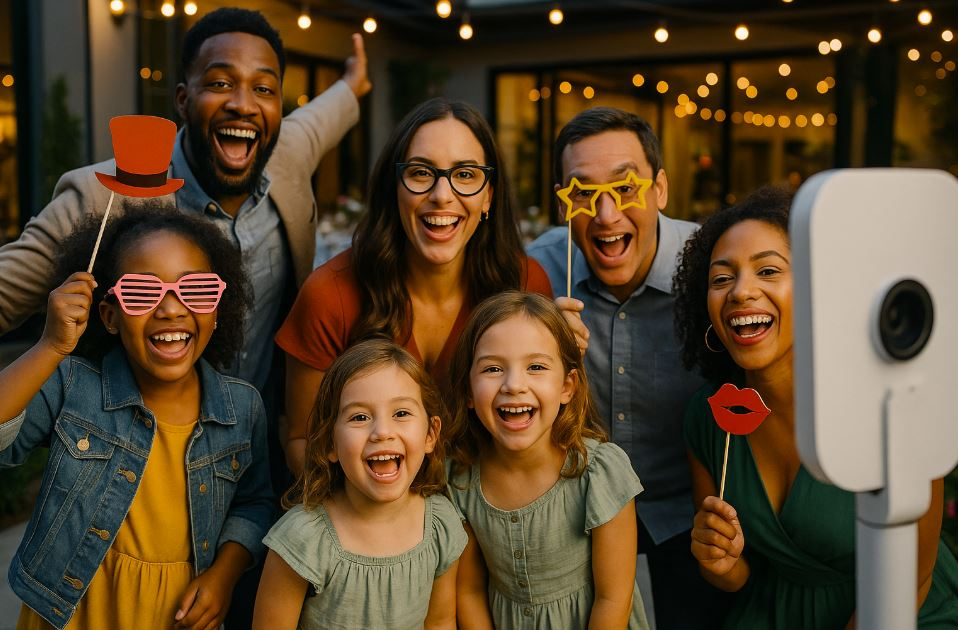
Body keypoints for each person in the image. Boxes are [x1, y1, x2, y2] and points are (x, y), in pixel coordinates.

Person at [0, 7, 371, 395]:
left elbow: (328, 112)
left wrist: (353, 81)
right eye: (220, 83)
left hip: (264, 445)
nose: (243, 104)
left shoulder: (288, 152)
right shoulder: (102, 195)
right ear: (183, 99)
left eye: (263, 89)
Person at [674, 186, 958, 628]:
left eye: (768, 270)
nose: (741, 292)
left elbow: (912, 578)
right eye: (721, 278)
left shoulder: (891, 407)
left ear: (818, 287)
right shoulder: (708, 419)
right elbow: (739, 578)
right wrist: (721, 565)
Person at [0, 203, 272, 630]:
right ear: (109, 315)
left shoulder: (242, 409)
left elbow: (255, 504)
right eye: (143, 293)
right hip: (70, 614)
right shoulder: (73, 386)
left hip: (177, 616)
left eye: (196, 291)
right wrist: (49, 346)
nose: (171, 309)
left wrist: (224, 574)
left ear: (217, 309)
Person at [276, 97, 553, 476]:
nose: (442, 195)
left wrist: (553, 355)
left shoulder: (523, 284)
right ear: (395, 186)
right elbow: (303, 441)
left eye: (466, 175)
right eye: (421, 173)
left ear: (489, 194)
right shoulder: (330, 295)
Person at [527, 106, 725, 627]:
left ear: (660, 189)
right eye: (584, 192)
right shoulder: (536, 275)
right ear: (562, 202)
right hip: (575, 523)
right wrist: (536, 351)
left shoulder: (713, 269)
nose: (607, 214)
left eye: (626, 186)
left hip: (695, 522)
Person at [445, 291, 649, 629]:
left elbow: (614, 599)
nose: (514, 385)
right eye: (493, 368)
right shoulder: (461, 480)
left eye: (536, 367)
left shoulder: (599, 473)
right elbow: (468, 592)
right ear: (468, 390)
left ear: (567, 386)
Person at [252, 339, 465, 629]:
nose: (382, 432)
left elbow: (440, 622)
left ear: (430, 433)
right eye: (360, 417)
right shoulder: (302, 540)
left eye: (401, 413)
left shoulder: (441, 524)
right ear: (330, 443)